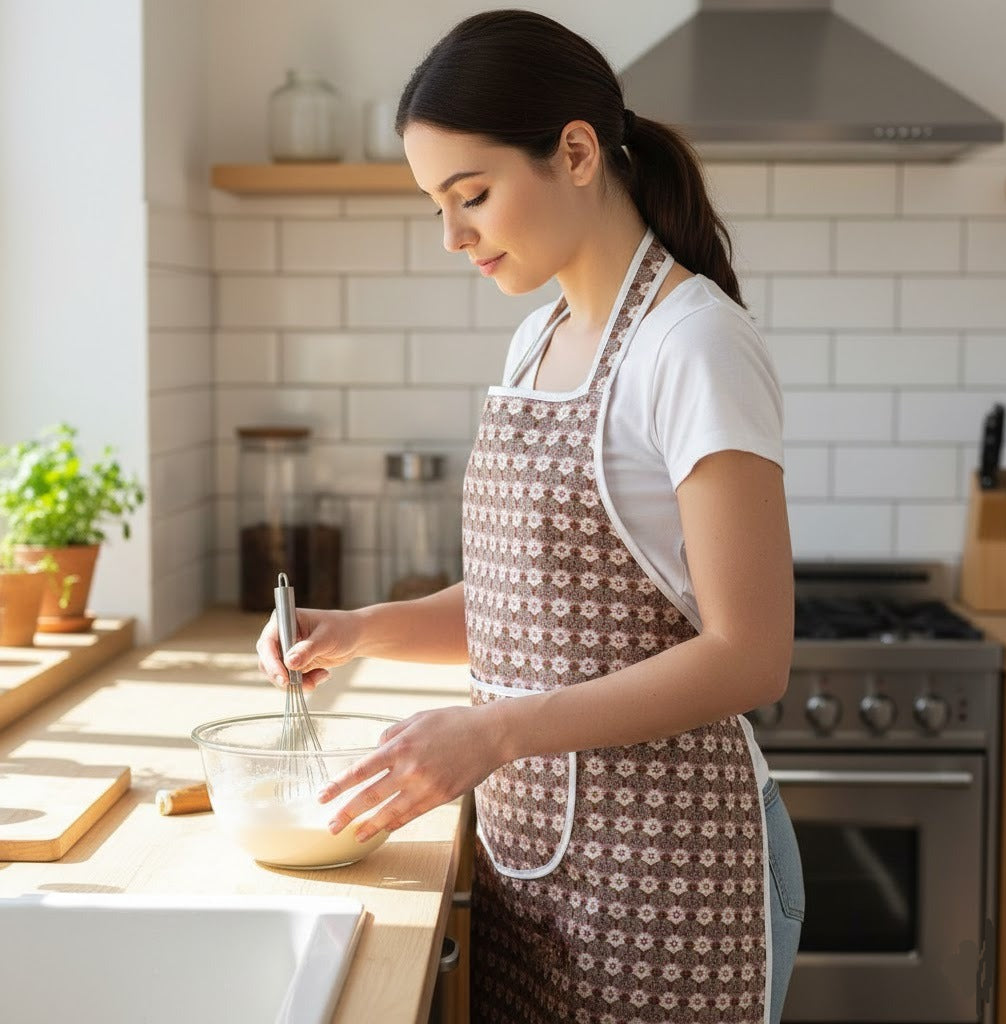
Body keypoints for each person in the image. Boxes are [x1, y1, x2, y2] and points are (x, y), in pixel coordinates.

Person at [257, 9, 804, 1023]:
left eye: (471, 195)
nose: (454, 233)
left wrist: (495, 732)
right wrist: (360, 631)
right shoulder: (539, 338)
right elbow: (534, 602)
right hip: (538, 872)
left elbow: (750, 654)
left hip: (674, 883)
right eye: (436, 204)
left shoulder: (694, 347)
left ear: (578, 152)